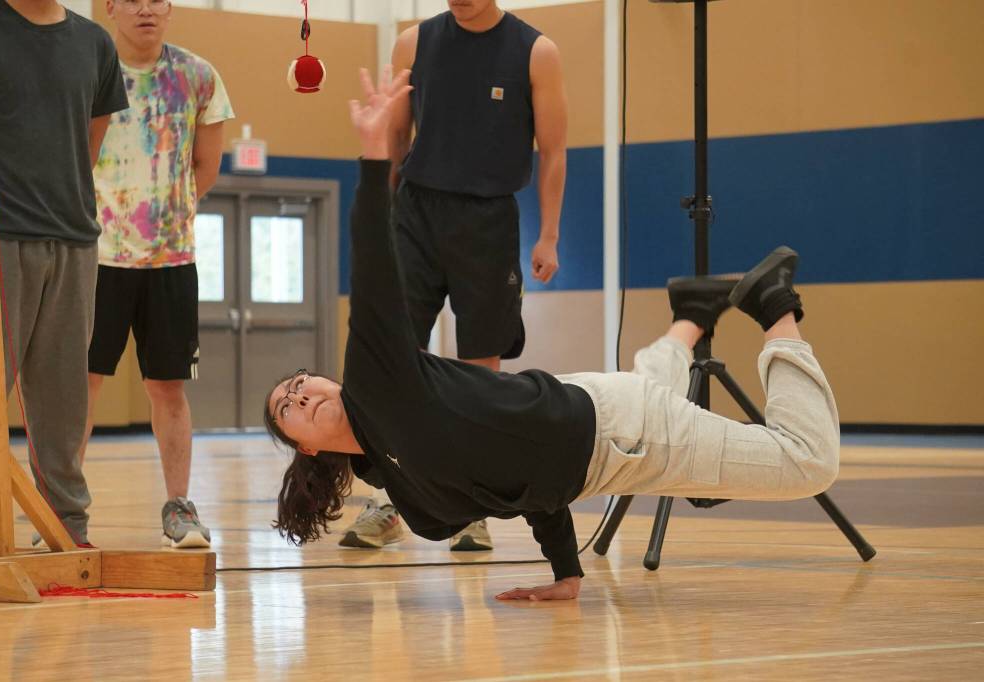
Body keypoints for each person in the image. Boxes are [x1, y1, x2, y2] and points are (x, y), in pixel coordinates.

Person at [262, 68, 841, 601]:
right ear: (305, 447)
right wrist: (565, 571)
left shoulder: (378, 383)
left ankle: (775, 306)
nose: (301, 394)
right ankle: (690, 316)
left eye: (298, 383)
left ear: (328, 381)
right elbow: (518, 478)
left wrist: (372, 157)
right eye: (288, 407)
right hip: (592, 423)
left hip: (614, 437)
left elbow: (373, 274)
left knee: (808, 464)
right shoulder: (404, 490)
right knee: (647, 388)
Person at [340, 0, 569, 552]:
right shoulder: (412, 43)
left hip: (488, 219)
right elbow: (395, 138)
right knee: (393, 357)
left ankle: (474, 505)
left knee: (481, 371)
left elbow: (554, 151)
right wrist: (384, 211)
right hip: (415, 211)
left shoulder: (536, 52)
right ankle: (390, 499)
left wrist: (549, 236)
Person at [0, 0, 128, 556]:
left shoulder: (95, 44)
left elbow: (89, 143)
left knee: (63, 397)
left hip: (75, 240)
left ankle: (67, 528)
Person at [74, 0, 234, 550]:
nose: (145, 8)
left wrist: (162, 214)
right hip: (94, 257)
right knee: (83, 385)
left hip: (170, 259)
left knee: (167, 386)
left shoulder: (197, 76)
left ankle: (179, 508)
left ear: (170, 8)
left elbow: (205, 168)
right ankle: (67, 511)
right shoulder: (88, 67)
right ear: (110, 7)